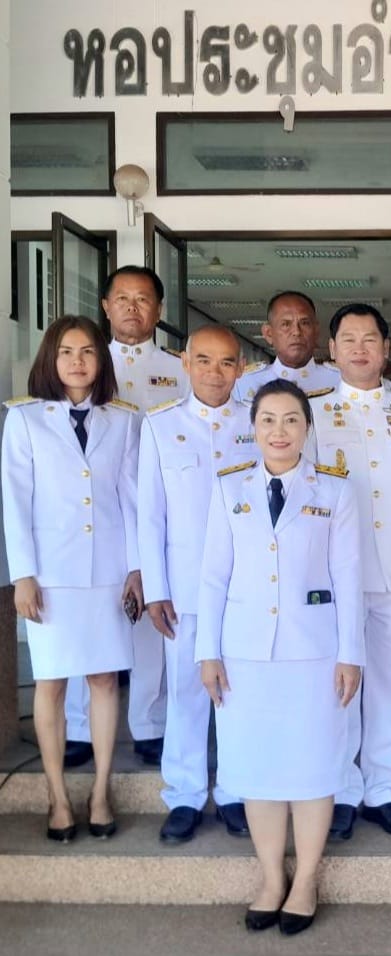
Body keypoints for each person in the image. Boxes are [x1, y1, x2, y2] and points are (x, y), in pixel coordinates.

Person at [196, 379, 363, 936]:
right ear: (253, 427)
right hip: (244, 654)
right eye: (268, 419)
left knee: (313, 767)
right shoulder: (229, 487)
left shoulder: (334, 490)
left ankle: (306, 878)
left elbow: (348, 578)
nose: (279, 431)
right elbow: (213, 576)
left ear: (308, 428)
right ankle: (271, 877)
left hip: (315, 653)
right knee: (258, 768)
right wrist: (207, 652)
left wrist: (351, 653)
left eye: (292, 419)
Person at [2, 316, 142, 842]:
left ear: (101, 360)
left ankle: (101, 791)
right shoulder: (25, 419)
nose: (78, 361)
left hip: (107, 572)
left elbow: (131, 499)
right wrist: (23, 575)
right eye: (66, 351)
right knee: (52, 683)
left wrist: (136, 568)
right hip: (52, 575)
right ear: (51, 358)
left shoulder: (123, 419)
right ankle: (57, 796)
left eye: (87, 351)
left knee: (104, 680)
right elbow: (15, 502)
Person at [309, 304, 391, 838]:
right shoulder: (312, 412)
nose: (359, 348)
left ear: (386, 349)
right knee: (339, 686)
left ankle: (383, 789)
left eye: (370, 339)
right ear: (332, 350)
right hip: (336, 576)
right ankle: (340, 790)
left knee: (389, 683)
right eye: (348, 339)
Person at [64, 266, 187, 770]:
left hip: (158, 514)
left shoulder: (180, 368)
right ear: (106, 307)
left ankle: (149, 725)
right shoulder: (84, 363)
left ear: (158, 310)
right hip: (93, 515)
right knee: (89, 622)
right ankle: (78, 727)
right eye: (122, 298)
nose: (132, 308)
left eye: (143, 299)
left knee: (151, 623)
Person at [138, 326, 255, 844]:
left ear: (241, 368)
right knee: (185, 692)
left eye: (226, 362)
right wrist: (156, 589)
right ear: (185, 364)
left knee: (237, 694)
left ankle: (234, 791)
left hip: (245, 585)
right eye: (203, 360)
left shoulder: (258, 420)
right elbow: (150, 515)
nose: (215, 372)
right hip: (184, 586)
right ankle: (184, 795)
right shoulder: (160, 424)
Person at [234, 291, 337, 401]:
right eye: (285, 324)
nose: (296, 332)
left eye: (304, 323)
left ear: (316, 331)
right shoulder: (242, 383)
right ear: (269, 333)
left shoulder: (340, 379)